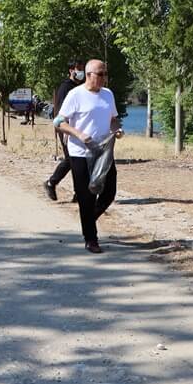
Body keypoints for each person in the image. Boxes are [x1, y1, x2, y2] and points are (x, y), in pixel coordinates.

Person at [53, 59, 123, 254]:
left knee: (109, 191)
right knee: (86, 196)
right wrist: (79, 134)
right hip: (80, 153)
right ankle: (91, 238)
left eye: (105, 74)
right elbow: (58, 121)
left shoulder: (108, 95)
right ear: (89, 74)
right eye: (101, 74)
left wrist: (117, 130)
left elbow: (113, 119)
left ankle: (88, 219)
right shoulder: (75, 95)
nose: (104, 78)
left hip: (103, 151)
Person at [44, 60, 85, 202]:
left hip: (76, 129)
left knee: (75, 160)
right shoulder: (65, 88)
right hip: (66, 128)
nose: (81, 72)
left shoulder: (79, 87)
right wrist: (66, 130)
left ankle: (76, 192)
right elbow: (61, 111)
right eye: (78, 69)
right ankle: (51, 183)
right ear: (71, 70)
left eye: (82, 69)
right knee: (71, 159)